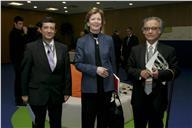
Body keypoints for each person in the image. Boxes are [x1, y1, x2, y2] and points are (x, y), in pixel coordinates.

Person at [127, 16, 180, 128]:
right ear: (143, 31)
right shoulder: (135, 50)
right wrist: (139, 73)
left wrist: (159, 74)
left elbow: (176, 71)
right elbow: (129, 69)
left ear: (160, 30)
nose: (150, 31)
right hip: (139, 98)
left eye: (154, 28)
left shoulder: (169, 50)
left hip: (158, 99)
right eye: (146, 28)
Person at [21, 16, 72, 128]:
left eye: (52, 28)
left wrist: (67, 91)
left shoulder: (63, 48)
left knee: (56, 123)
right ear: (41, 30)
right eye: (46, 27)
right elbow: (25, 72)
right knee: (38, 123)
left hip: (56, 93)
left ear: (55, 30)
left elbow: (66, 71)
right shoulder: (31, 47)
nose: (49, 30)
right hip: (37, 93)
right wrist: (24, 93)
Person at [74, 7, 116, 128]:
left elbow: (113, 62)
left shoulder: (109, 39)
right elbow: (78, 63)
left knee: (104, 120)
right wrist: (95, 69)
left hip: (106, 87)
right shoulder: (81, 41)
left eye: (99, 19)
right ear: (88, 22)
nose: (96, 21)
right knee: (88, 120)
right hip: (89, 88)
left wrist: (114, 84)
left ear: (102, 22)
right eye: (93, 19)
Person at [9, 16, 28, 106]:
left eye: (22, 24)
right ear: (15, 23)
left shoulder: (19, 32)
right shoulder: (13, 33)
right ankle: (18, 100)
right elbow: (22, 45)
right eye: (20, 24)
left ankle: (21, 98)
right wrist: (25, 33)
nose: (21, 25)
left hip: (20, 60)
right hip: (17, 61)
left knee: (21, 80)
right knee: (19, 81)